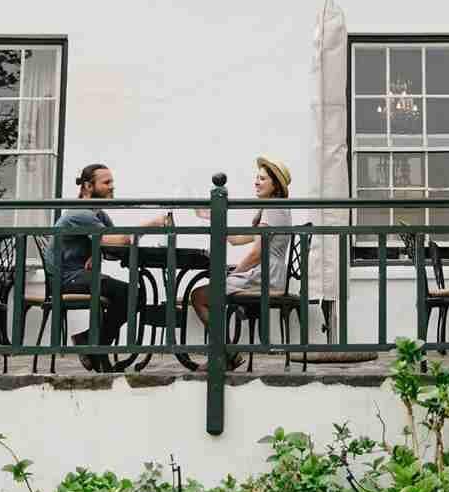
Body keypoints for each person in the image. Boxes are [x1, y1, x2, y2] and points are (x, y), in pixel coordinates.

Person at [51, 163, 170, 372]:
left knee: (133, 294)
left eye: (112, 181)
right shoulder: (81, 213)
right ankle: (92, 345)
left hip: (81, 275)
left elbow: (114, 246)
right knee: (129, 293)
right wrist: (154, 223)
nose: (112, 187)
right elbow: (121, 240)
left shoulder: (99, 215)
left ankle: (89, 341)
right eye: (106, 182)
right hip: (65, 278)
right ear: (88, 186)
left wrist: (96, 252)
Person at [190, 157, 293, 329]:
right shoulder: (273, 209)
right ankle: (228, 349)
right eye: (257, 178)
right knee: (206, 293)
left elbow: (255, 254)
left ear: (275, 185)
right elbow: (236, 240)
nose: (256, 183)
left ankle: (226, 350)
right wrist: (212, 217)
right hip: (267, 274)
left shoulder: (273, 209)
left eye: (262, 179)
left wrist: (232, 275)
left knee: (199, 296)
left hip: (267, 277)